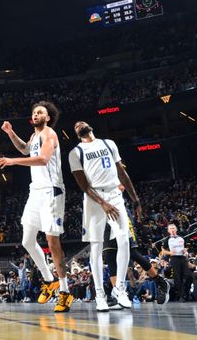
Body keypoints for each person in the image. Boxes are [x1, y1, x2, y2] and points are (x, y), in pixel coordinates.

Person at [0, 101, 72, 313]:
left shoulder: (50, 134)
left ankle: (65, 291)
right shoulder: (33, 136)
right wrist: (10, 133)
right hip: (35, 191)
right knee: (27, 240)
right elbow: (25, 149)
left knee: (52, 241)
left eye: (41, 112)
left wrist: (12, 162)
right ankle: (49, 281)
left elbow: (43, 159)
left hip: (51, 190)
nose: (36, 114)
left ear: (47, 118)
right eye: (34, 112)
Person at [68, 120, 132, 312]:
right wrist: (103, 203)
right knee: (96, 247)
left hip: (114, 193)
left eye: (82, 123)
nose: (80, 125)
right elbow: (84, 186)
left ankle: (119, 288)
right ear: (76, 133)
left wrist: (135, 199)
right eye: (76, 126)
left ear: (91, 126)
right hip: (94, 198)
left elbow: (122, 172)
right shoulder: (75, 153)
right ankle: (100, 295)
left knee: (124, 240)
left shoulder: (108, 143)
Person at [161, 224, 189, 301]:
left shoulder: (181, 238)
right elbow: (163, 251)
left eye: (173, 228)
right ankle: (181, 296)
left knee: (187, 275)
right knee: (177, 277)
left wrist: (185, 250)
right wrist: (170, 253)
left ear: (176, 229)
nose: (172, 230)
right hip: (174, 258)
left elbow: (185, 247)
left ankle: (186, 292)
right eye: (170, 229)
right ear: (168, 231)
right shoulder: (167, 239)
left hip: (182, 258)